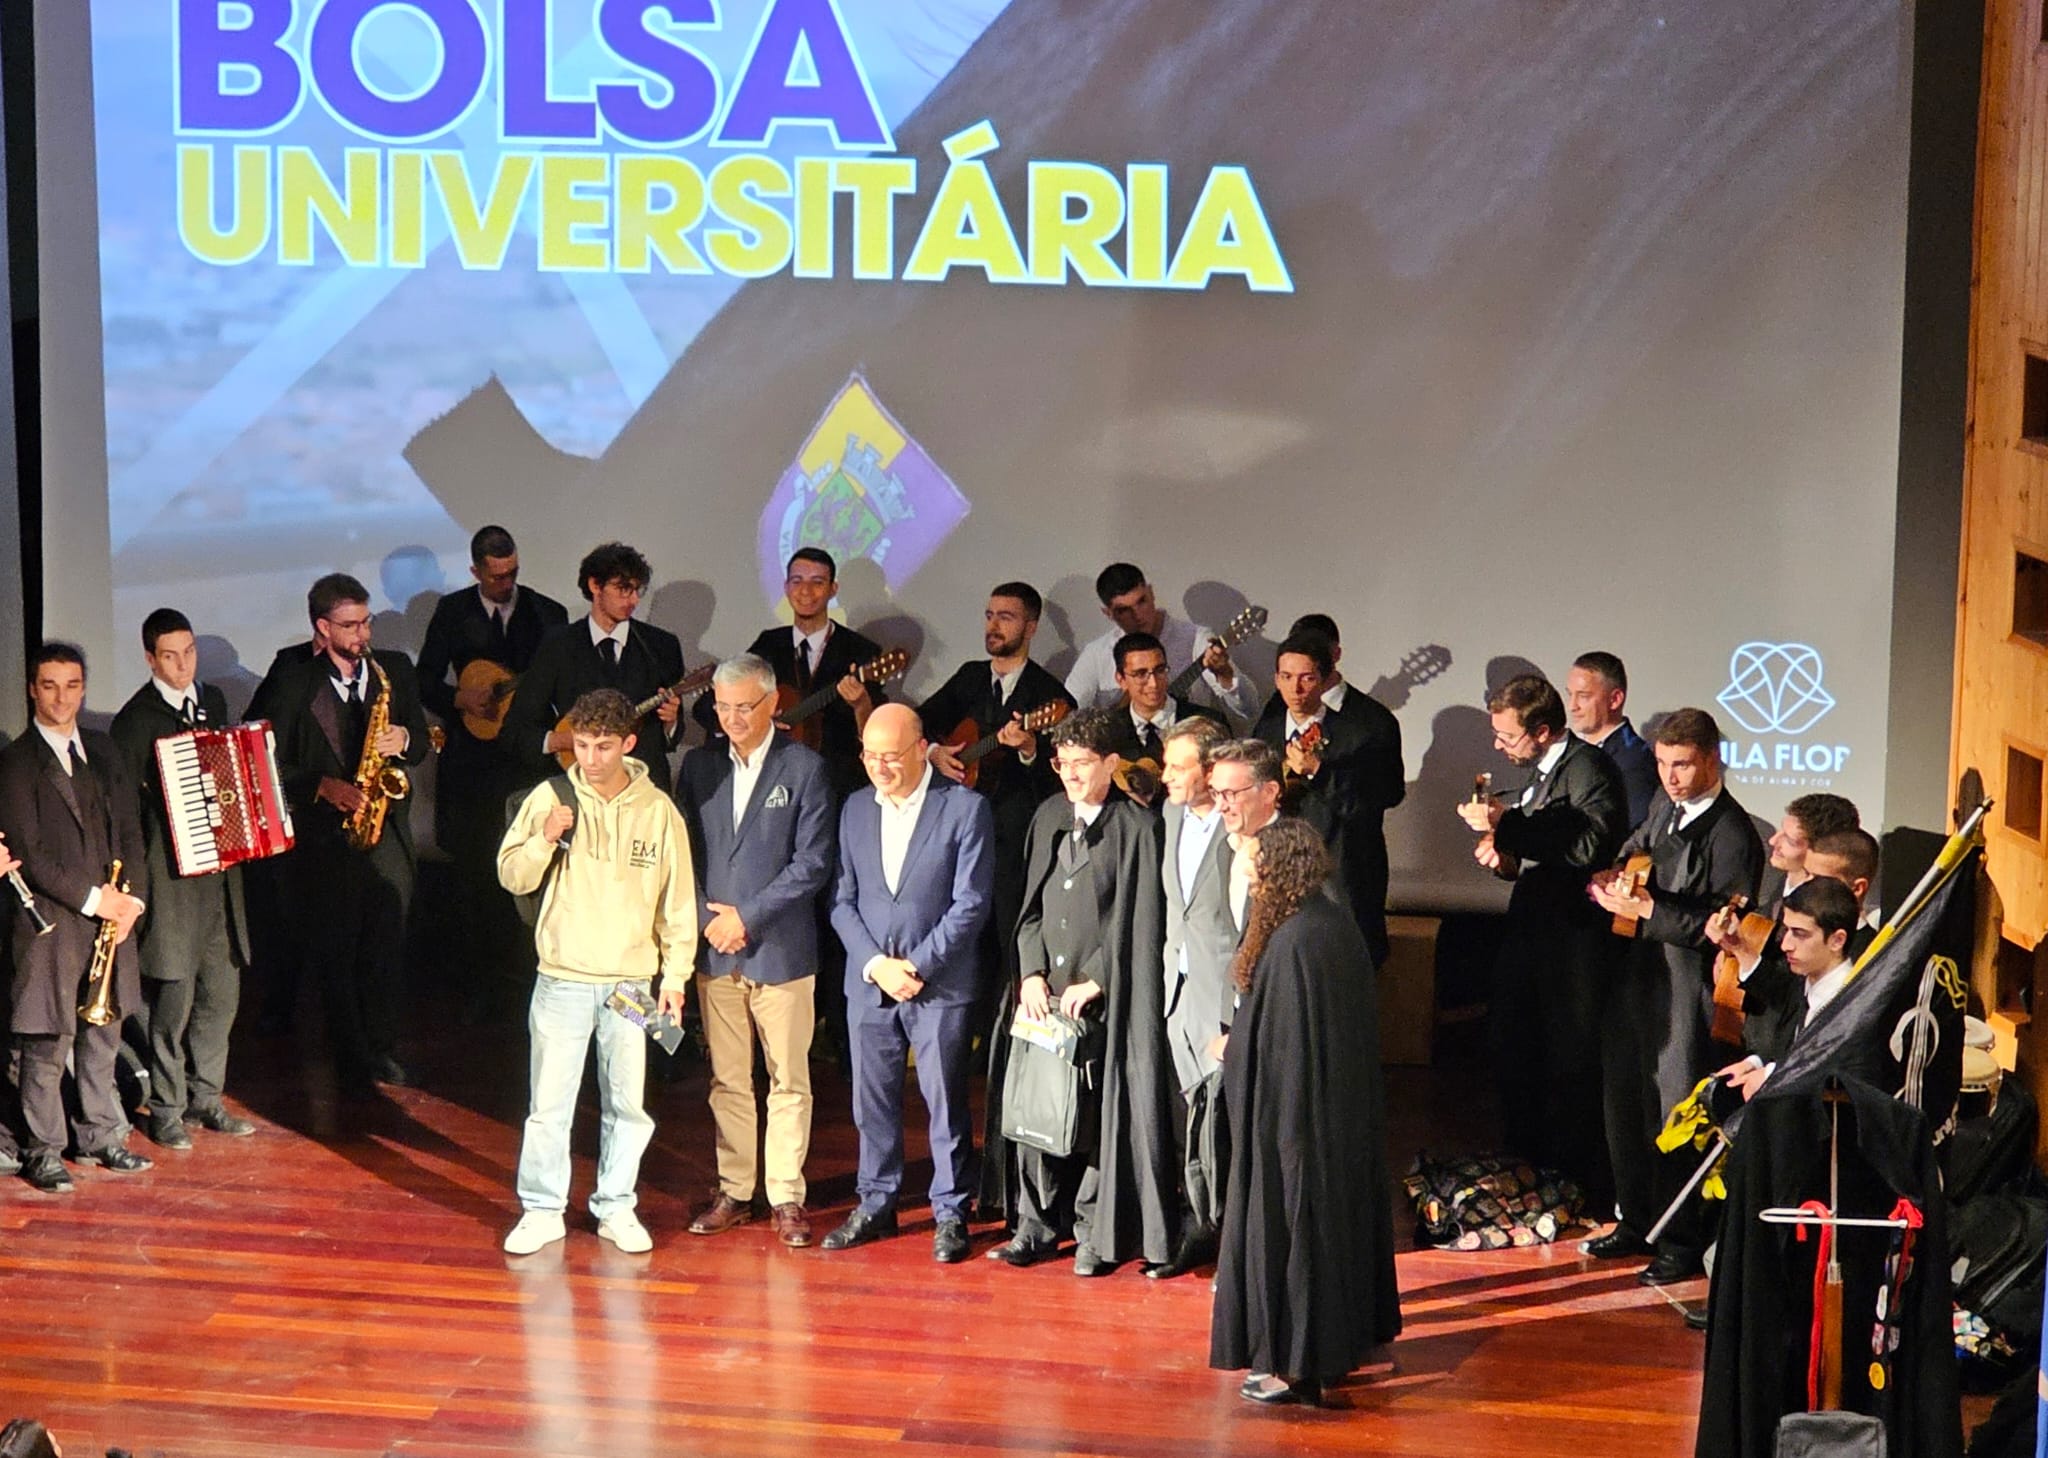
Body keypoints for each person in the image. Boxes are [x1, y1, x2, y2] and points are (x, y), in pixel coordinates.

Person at [1209, 818, 1401, 1407]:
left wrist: (1231, 1048)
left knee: (1292, 1233)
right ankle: (1335, 1348)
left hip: (1293, 1127)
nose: (1243, 877)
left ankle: (1295, 1364)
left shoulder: (1295, 941)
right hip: (1332, 1120)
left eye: (1249, 867)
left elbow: (1282, 1047)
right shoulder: (1330, 922)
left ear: (1275, 873)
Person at [498, 689, 697, 1255]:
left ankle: (616, 1205)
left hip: (631, 983)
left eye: (603, 746)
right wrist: (544, 838)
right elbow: (512, 875)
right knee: (549, 1104)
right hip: (562, 976)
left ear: (628, 744)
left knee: (627, 1105)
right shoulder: (550, 795)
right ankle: (540, 1209)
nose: (589, 757)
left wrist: (675, 980)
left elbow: (677, 904)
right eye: (581, 744)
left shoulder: (658, 810)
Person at [982, 709, 1175, 1275]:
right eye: (1061, 763)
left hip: (1100, 1003)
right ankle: (1034, 1226)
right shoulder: (1047, 816)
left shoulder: (1135, 828)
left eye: (1081, 763)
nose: (1069, 774)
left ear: (1111, 764)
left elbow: (1138, 920)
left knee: (1093, 1119)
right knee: (1035, 1107)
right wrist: (1033, 970)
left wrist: (1098, 978)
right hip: (1044, 996)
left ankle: (1093, 1230)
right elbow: (1031, 906)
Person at [1587, 708, 1764, 1284]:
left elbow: (1721, 923)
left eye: (1683, 764)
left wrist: (1650, 911)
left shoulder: (1732, 834)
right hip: (1640, 983)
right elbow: (1632, 850)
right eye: (1662, 763)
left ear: (1712, 760)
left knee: (1675, 1112)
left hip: (1688, 990)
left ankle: (1682, 1240)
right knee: (1625, 1107)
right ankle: (1638, 1219)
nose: (1670, 775)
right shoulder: (1666, 808)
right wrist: (1611, 880)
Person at [822, 703, 995, 1263]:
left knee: (945, 1102)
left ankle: (950, 1212)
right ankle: (876, 1203)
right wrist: (876, 964)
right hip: (869, 983)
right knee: (870, 1104)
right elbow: (842, 900)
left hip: (938, 984)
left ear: (923, 748)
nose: (880, 767)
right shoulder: (852, 809)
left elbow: (970, 904)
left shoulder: (964, 809)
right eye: (870, 756)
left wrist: (915, 967)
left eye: (891, 756)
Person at [673, 656, 836, 1248]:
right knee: (727, 1080)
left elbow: (814, 862)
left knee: (789, 1079)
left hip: (782, 950)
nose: (733, 718)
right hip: (715, 950)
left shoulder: (806, 768)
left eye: (744, 706)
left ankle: (786, 1195)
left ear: (772, 705)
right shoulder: (698, 765)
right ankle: (736, 1190)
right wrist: (704, 920)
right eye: (722, 707)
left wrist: (749, 917)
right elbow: (680, 854)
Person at [254, 574, 433, 1094]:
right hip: (327, 840)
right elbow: (263, 757)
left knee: (384, 945)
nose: (363, 635)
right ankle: (349, 1052)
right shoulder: (293, 681)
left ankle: (380, 1048)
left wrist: (406, 737)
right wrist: (321, 786)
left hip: (386, 833)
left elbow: (421, 740)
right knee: (338, 948)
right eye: (350, 626)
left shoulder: (392, 671)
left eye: (366, 621)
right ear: (322, 627)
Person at [1456, 673, 1628, 1190]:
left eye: (1508, 737)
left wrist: (1507, 826)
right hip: (1530, 934)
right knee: (1514, 1048)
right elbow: (1537, 849)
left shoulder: (1589, 770)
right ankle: (1523, 1166)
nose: (1499, 746)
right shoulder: (1539, 772)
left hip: (1572, 944)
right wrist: (1505, 857)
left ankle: (1571, 1179)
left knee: (1566, 1063)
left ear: (1545, 731)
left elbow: (1587, 845)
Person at [0, 643, 153, 1191]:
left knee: (104, 1030)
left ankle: (101, 1137)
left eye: (71, 685)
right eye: (49, 686)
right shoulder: (16, 762)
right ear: (32, 691)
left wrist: (130, 901)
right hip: (54, 923)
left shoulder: (107, 751)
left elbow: (133, 833)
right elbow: (31, 853)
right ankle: (43, 1150)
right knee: (48, 1043)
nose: (61, 697)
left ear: (83, 688)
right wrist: (95, 899)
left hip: (113, 919)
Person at [109, 609, 255, 1149]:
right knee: (173, 998)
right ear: (150, 658)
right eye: (170, 655)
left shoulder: (212, 702)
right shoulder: (134, 723)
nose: (182, 665)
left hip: (219, 877)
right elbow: (125, 812)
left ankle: (206, 1098)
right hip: (169, 881)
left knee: (222, 991)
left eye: (189, 651)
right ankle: (167, 1108)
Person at [414, 524, 569, 1020]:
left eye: (513, 574)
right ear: (476, 571)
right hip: (472, 763)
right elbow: (423, 679)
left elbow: (559, 682)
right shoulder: (453, 612)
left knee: (531, 867)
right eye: (497, 576)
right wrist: (458, 697)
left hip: (526, 760)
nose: (506, 585)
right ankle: (479, 985)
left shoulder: (548, 614)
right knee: (475, 871)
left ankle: (530, 978)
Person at [917, 582, 1073, 1009]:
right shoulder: (970, 677)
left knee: (1004, 935)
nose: (994, 625)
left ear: (1031, 626)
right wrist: (933, 752)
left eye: (1006, 616)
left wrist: (1027, 749)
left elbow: (1064, 780)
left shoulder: (1048, 695)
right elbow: (919, 721)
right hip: (954, 833)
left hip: (1011, 839)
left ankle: (1001, 1038)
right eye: (990, 615)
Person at [1252, 629, 1405, 967]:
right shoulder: (1270, 725)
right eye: (1287, 677)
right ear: (1276, 678)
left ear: (1325, 679)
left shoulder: (1367, 726)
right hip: (1279, 870)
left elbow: (1389, 793)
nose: (1296, 688)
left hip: (1343, 870)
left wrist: (1320, 773)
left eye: (1307, 678)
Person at [695, 547, 889, 800]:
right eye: (797, 581)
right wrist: (755, 725)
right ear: (786, 588)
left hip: (836, 787)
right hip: (771, 786)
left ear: (833, 589)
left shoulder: (860, 651)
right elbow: (707, 707)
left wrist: (861, 704)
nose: (806, 591)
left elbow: (879, 736)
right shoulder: (769, 644)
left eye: (817, 582)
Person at [1152, 715, 1235, 1280]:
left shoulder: (1240, 828)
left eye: (1177, 767)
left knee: (1223, 1117)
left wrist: (1237, 1010)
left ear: (1210, 771)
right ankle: (1198, 1223)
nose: (1165, 777)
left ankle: (1231, 1231)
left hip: (1222, 992)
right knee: (1188, 1112)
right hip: (1178, 988)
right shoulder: (1169, 814)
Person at [503, 541, 685, 787]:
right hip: (579, 787)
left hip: (642, 789)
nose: (633, 600)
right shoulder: (559, 645)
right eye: (623, 589)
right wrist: (563, 741)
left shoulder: (661, 646)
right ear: (594, 585)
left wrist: (671, 721)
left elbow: (671, 738)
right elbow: (517, 729)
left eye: (636, 590)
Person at [1063, 563, 1255, 728]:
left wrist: (1226, 675)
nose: (1138, 615)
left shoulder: (1195, 639)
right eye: (1124, 610)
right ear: (1108, 613)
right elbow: (1068, 713)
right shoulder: (1097, 654)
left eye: (1142, 601)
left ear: (1151, 593)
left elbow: (1248, 710)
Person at [1101, 632, 1227, 799]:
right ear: (1121, 679)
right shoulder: (1107, 731)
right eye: (1140, 674)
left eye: (1160, 670)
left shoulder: (1208, 723)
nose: (1153, 683)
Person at [1564, 651, 1657, 829]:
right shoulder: (1570, 752)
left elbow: (1633, 836)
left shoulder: (1633, 762)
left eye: (1583, 696)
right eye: (1570, 695)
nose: (1572, 706)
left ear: (1614, 700)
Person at [1207, 738, 1286, 933]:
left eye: (1230, 794)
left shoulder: (1294, 854)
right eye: (1215, 793)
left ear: (1269, 792)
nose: (1220, 807)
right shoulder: (1225, 849)